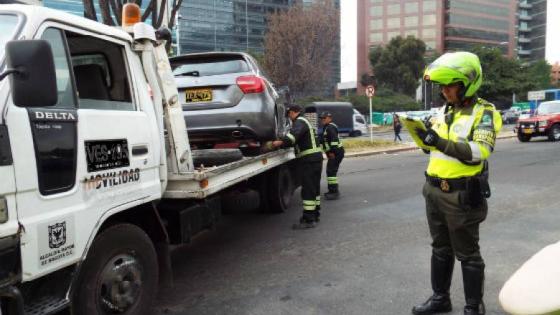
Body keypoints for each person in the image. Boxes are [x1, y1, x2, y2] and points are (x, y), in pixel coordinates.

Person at [411, 52, 502, 315]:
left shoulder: (484, 112)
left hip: (460, 196)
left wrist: (437, 142)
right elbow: (435, 150)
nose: (444, 91)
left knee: (468, 254)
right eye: (442, 86)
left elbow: (478, 152)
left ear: (467, 84)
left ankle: (474, 307)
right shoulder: (443, 111)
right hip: (434, 191)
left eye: (449, 85)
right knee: (440, 249)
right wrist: (424, 138)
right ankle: (441, 299)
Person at [270, 104, 323, 229]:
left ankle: (308, 220)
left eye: (289, 114)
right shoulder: (305, 121)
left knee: (308, 189)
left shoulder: (300, 121)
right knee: (314, 188)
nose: (289, 116)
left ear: (294, 112)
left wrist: (279, 143)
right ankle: (315, 214)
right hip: (315, 159)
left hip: (309, 161)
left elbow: (292, 138)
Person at [319, 111, 345, 200]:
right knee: (330, 171)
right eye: (321, 118)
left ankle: (334, 192)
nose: (322, 120)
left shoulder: (330, 127)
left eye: (324, 118)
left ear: (329, 118)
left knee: (331, 171)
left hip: (336, 153)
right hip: (334, 152)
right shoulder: (327, 127)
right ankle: (333, 191)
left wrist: (331, 152)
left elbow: (333, 141)